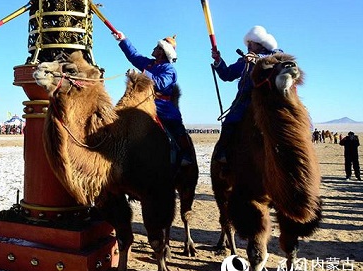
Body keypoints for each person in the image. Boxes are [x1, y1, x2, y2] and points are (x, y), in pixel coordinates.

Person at [112, 30, 194, 168]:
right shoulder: (150, 64)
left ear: (162, 51)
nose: (154, 49)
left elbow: (160, 83)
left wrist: (141, 74)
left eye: (157, 47)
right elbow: (134, 56)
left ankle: (186, 154)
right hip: (144, 99)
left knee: (176, 125)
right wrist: (123, 39)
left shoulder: (169, 69)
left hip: (162, 104)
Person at [211, 25, 281, 167]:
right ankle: (222, 154)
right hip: (243, 100)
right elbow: (227, 75)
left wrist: (257, 59)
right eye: (248, 43)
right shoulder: (243, 61)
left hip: (265, 100)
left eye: (252, 43)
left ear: (261, 45)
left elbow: (277, 57)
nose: (248, 46)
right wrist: (218, 61)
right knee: (229, 122)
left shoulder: (273, 56)